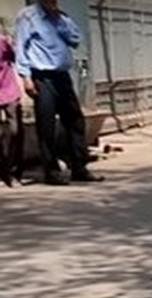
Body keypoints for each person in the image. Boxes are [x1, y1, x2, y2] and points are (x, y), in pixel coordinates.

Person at [14, 0, 101, 185]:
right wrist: (26, 78)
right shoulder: (28, 17)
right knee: (46, 126)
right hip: (42, 78)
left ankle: (79, 167)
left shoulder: (61, 18)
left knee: (75, 120)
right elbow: (21, 48)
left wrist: (59, 19)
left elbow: (75, 39)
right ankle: (51, 172)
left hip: (62, 77)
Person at [0, 20, 23, 187]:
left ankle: (13, 172)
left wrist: (12, 43)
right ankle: (4, 173)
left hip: (8, 89)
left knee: (15, 131)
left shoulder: (3, 42)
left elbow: (18, 58)